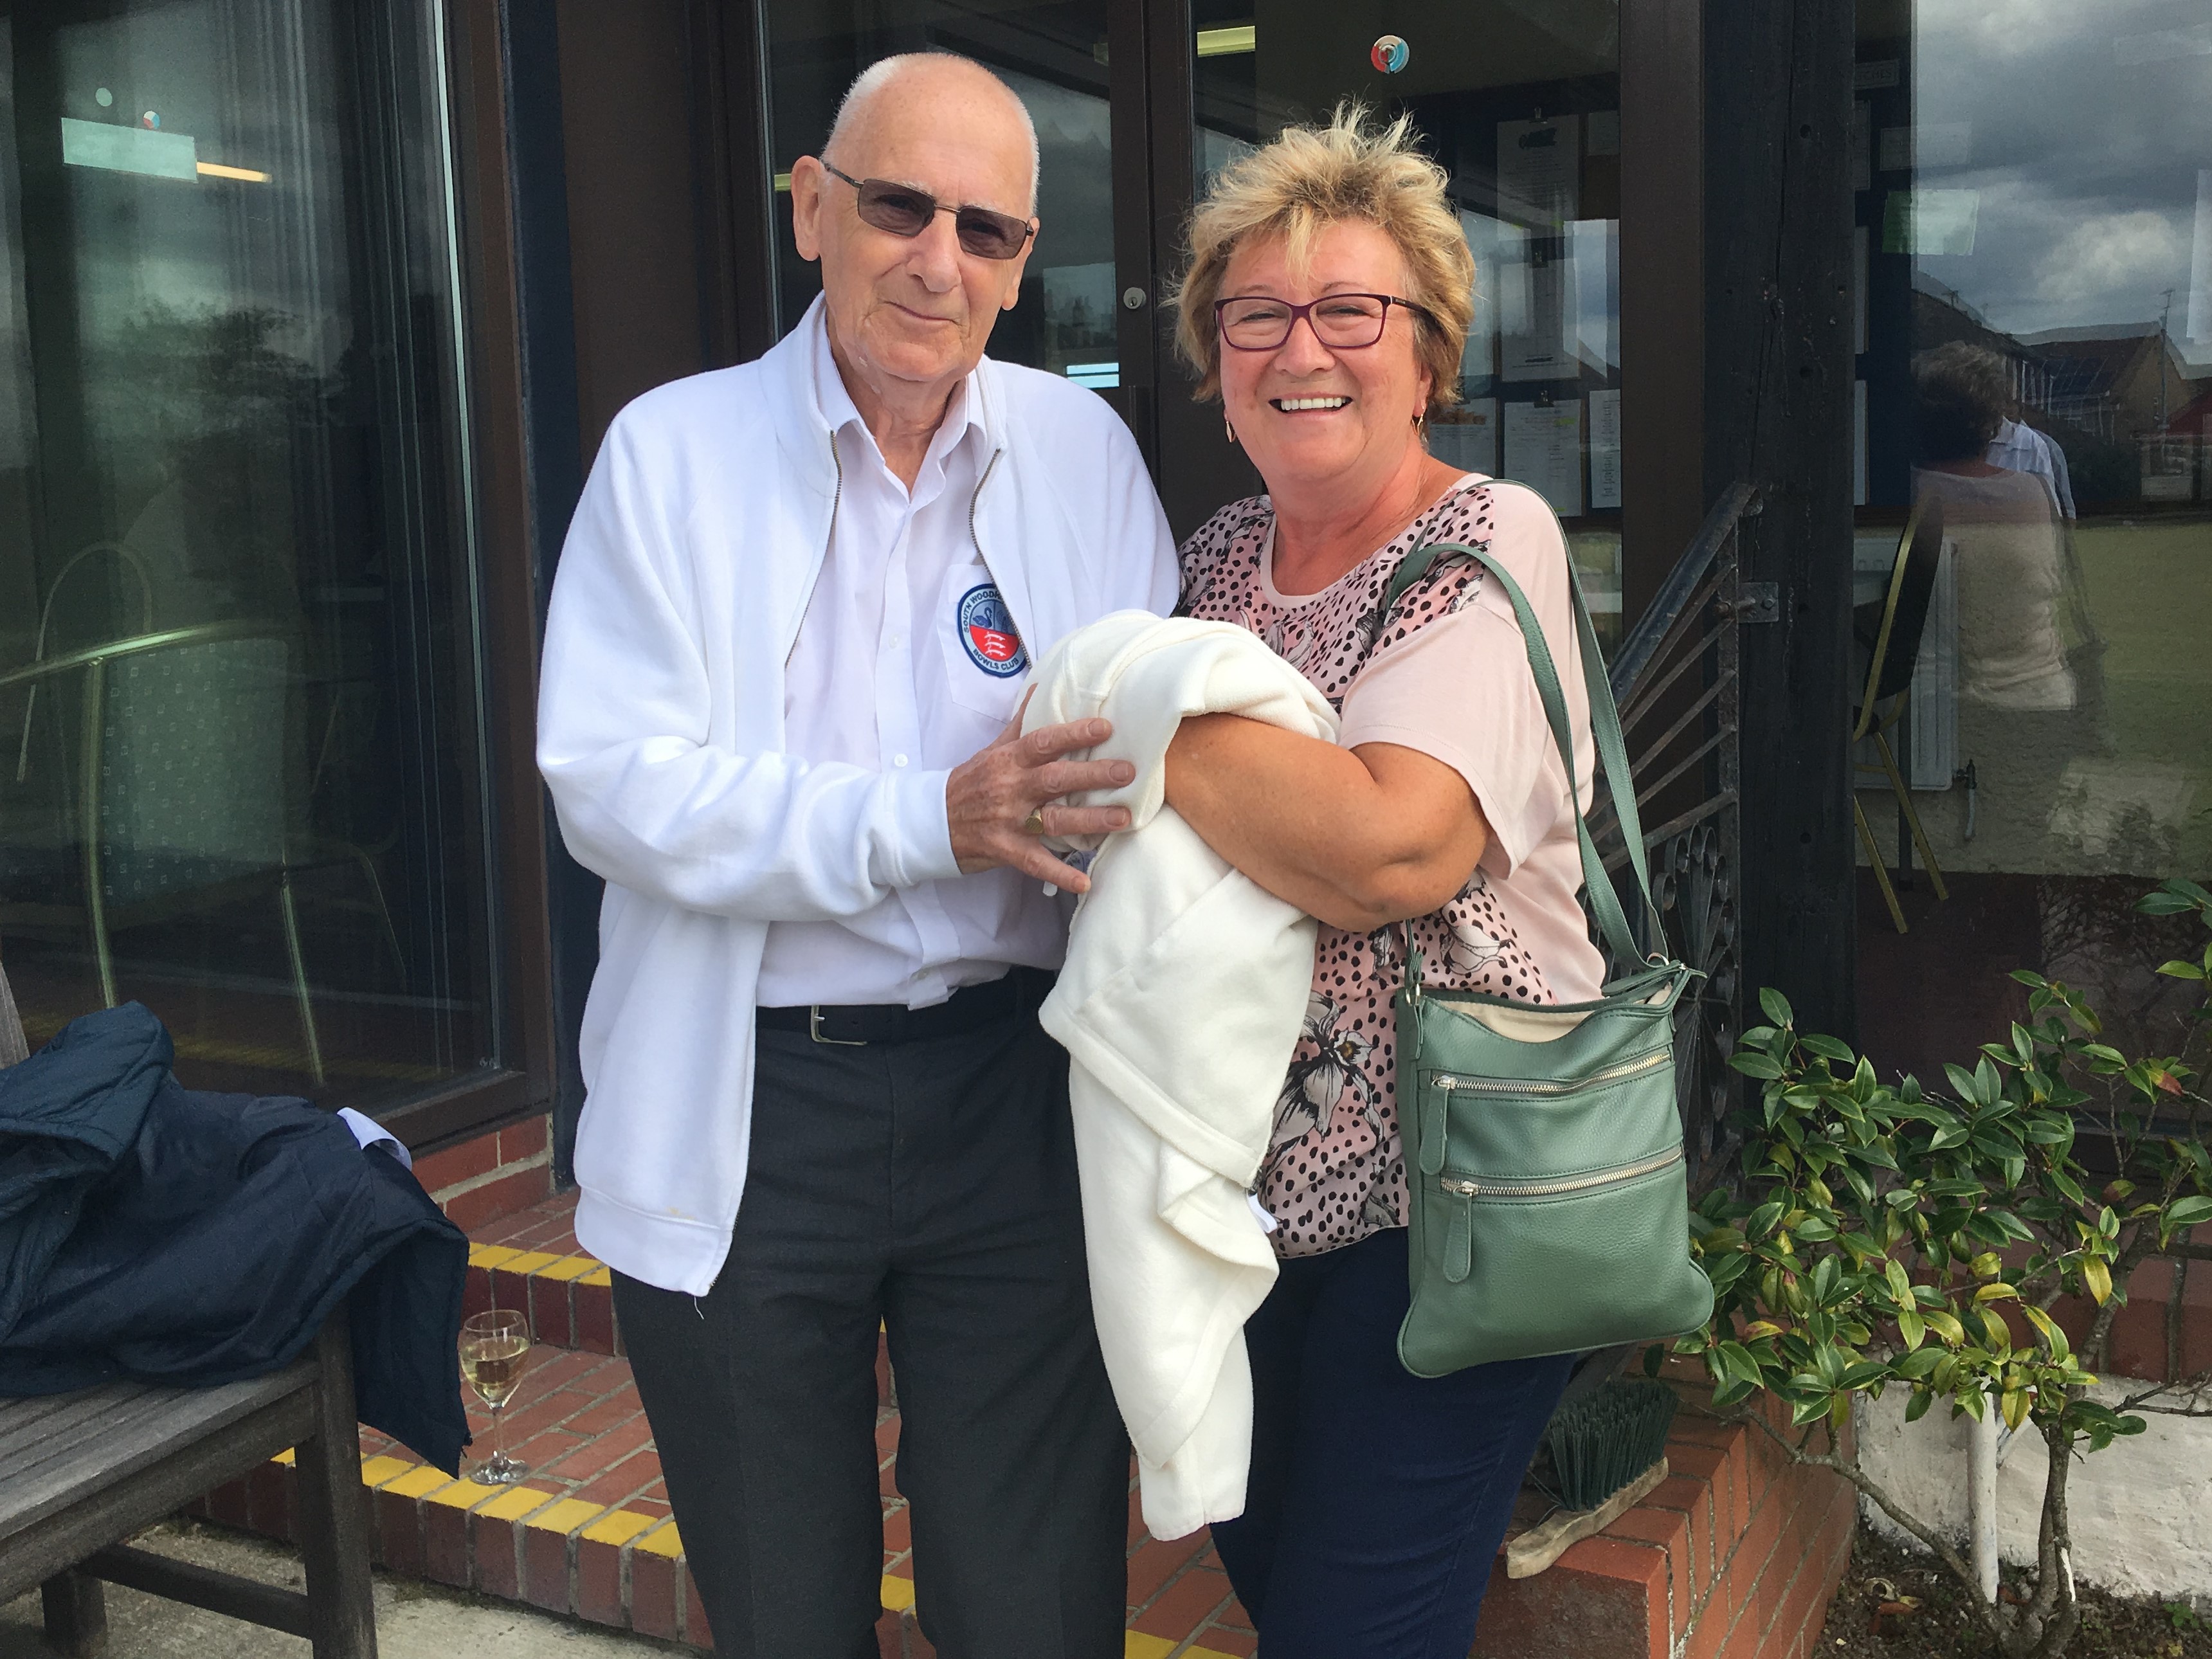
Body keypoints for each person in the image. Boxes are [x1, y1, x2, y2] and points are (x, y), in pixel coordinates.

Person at [536, 51, 1178, 1659]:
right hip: (754, 1100)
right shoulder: (669, 454)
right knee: (784, 1609)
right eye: (899, 206)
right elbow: (612, 787)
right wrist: (927, 820)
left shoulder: (1083, 454)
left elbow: (1154, 758)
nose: (937, 260)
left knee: (1035, 1605)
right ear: (813, 208)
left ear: (1022, 266)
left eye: (986, 229)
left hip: (1016, 1090)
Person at [1157, 105, 1608, 1657]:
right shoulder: (1216, 559)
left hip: (1455, 1191)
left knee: (1349, 1628)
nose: (1303, 349)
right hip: (1235, 1193)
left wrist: (1147, 727)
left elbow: (1390, 850)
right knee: (1288, 1587)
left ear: (1428, 357)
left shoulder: (1485, 540)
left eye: (1352, 309)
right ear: (1217, 365)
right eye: (1256, 315)